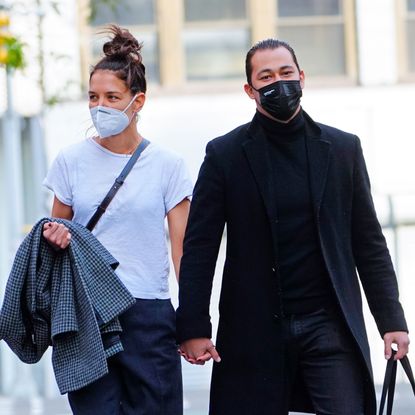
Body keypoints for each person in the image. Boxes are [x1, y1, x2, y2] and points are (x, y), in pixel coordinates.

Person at [176, 39, 410, 415]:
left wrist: (392, 321)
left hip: (328, 325)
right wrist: (193, 327)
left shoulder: (342, 149)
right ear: (250, 90)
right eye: (265, 77)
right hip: (253, 328)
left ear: (302, 77)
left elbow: (368, 243)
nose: (278, 83)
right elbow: (200, 247)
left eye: (286, 73)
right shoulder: (225, 155)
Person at [42, 25, 192, 415]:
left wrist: (194, 323)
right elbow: (55, 236)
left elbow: (183, 252)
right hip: (86, 311)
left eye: (112, 97)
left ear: (137, 101)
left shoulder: (168, 166)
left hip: (148, 312)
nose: (100, 107)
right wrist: (55, 236)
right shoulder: (70, 161)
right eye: (93, 97)